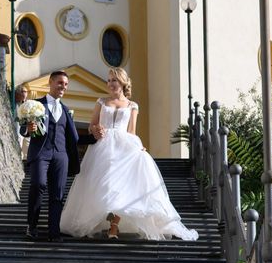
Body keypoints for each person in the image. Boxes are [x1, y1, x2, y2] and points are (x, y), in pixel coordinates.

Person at [60, 68, 198, 241]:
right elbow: (91, 125)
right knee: (105, 185)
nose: (110, 84)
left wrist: (138, 147)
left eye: (114, 80)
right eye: (109, 80)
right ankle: (101, 220)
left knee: (121, 186)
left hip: (124, 147)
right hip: (102, 147)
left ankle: (114, 226)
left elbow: (131, 131)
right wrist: (96, 130)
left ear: (122, 83)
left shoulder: (133, 106)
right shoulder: (101, 102)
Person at [21, 71, 79, 242]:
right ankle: (32, 225)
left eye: (66, 84)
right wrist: (27, 130)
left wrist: (95, 137)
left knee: (58, 194)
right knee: (38, 184)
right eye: (60, 83)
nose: (63, 87)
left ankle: (54, 232)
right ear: (51, 82)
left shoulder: (66, 110)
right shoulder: (36, 104)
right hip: (41, 152)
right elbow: (23, 128)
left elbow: (74, 137)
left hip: (61, 155)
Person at [15, 85, 30, 162]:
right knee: (19, 145)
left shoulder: (27, 104)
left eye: (26, 92)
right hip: (18, 129)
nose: (25, 94)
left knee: (27, 148)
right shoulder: (15, 104)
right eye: (23, 92)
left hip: (26, 130)